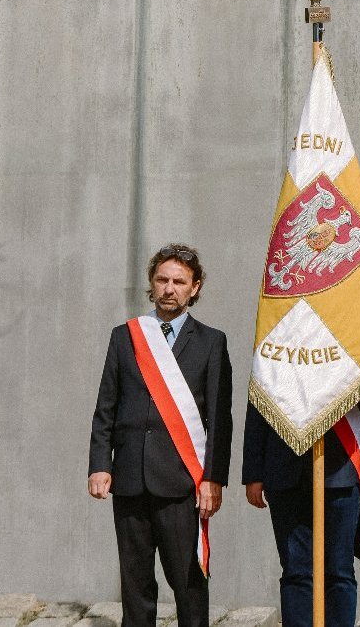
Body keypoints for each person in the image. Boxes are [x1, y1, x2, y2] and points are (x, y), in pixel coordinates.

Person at [88, 244, 233, 627]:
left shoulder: (211, 342)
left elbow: (220, 419)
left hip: (181, 482)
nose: (169, 288)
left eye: (179, 281)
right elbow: (106, 408)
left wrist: (213, 479)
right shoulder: (126, 337)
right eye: (162, 280)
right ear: (151, 285)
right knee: (135, 586)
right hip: (131, 479)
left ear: (194, 287)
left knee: (188, 583)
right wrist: (100, 465)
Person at [241, 379, 360, 627]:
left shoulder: (356, 337)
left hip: (339, 469)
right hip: (285, 468)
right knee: (296, 572)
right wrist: (253, 471)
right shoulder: (277, 337)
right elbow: (260, 394)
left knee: (338, 571)